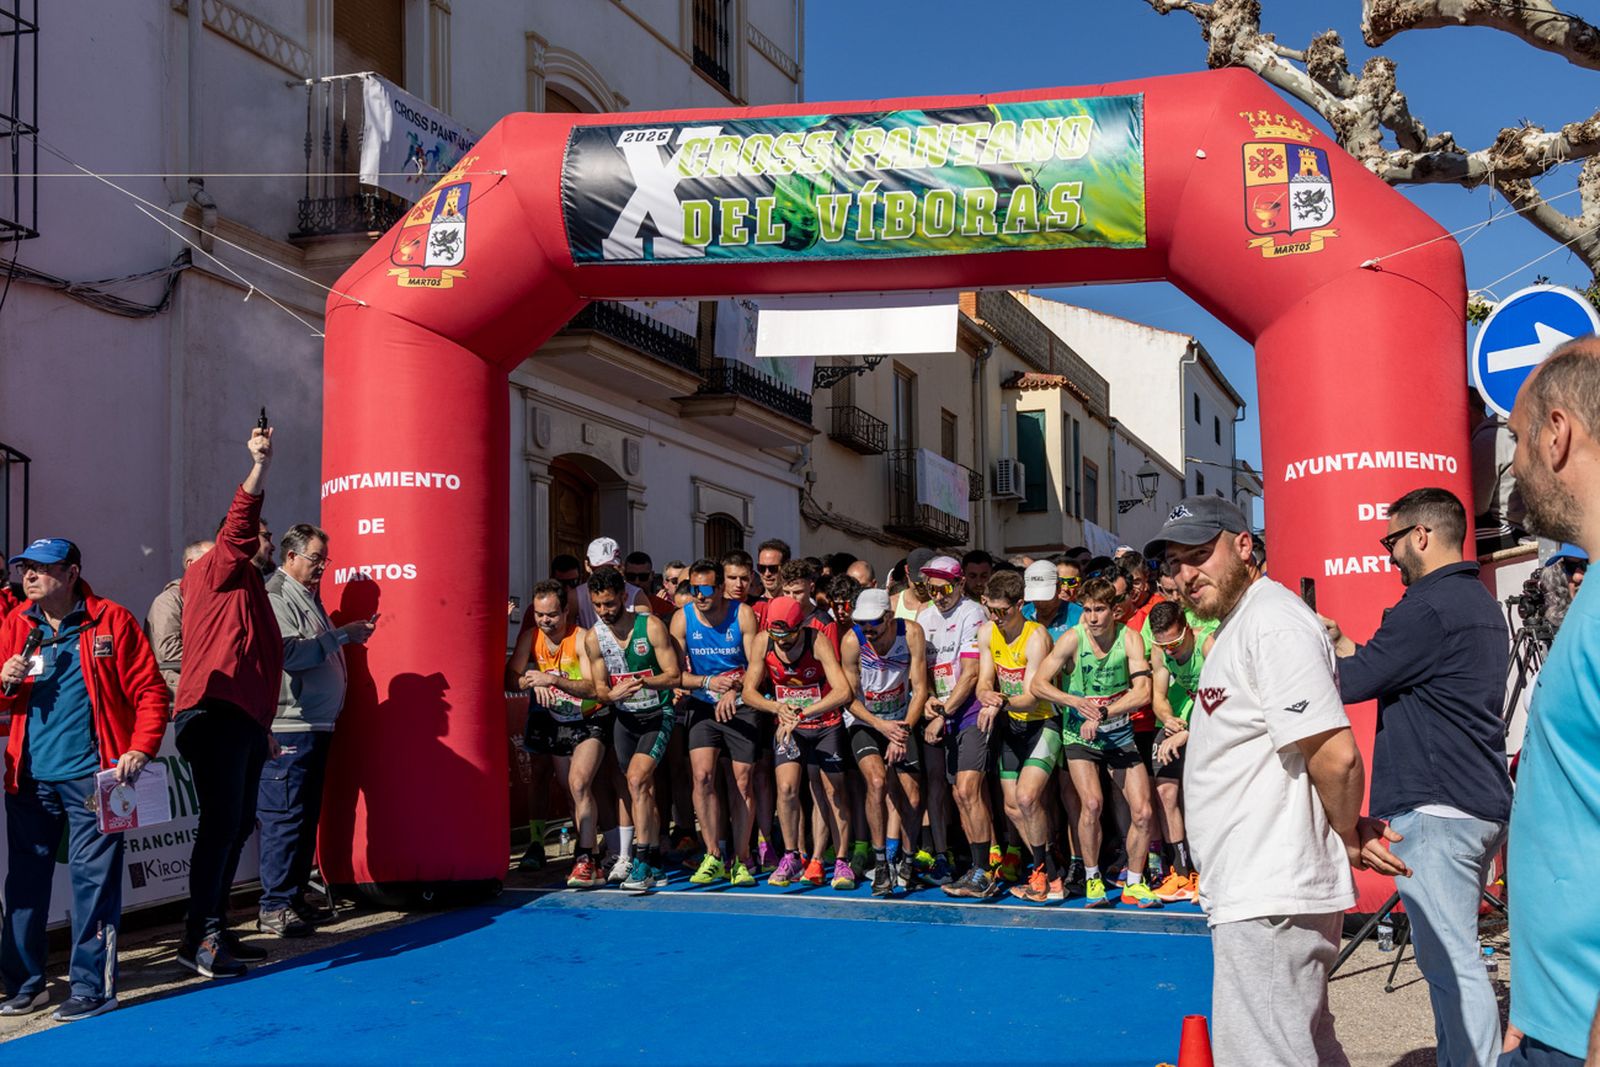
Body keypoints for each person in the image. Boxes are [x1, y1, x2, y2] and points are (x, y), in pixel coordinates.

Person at [1147, 495, 1406, 1067]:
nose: (1186, 575)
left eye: (1199, 554)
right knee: (1304, 1044)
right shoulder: (1244, 625)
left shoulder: (1272, 622)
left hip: (1269, 888)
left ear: (1244, 546)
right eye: (1175, 563)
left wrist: (1349, 831)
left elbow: (1335, 755)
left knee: (1265, 1054)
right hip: (1262, 886)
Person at [1317, 487, 1511, 1067]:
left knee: (1453, 967)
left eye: (1391, 540)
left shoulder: (1424, 608)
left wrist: (1310, 650)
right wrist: (1342, 643)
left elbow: (1350, 684)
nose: (1389, 553)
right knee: (1453, 965)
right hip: (1474, 802)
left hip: (1437, 808)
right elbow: (1389, 669)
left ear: (1421, 536)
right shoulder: (1475, 604)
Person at [0, 539, 169, 1021]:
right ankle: (27, 983)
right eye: (24, 568)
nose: (29, 576)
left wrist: (140, 747)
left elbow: (150, 689)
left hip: (96, 780)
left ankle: (92, 987)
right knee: (25, 885)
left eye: (41, 568)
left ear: (71, 572)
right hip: (29, 779)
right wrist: (2, 676)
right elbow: (2, 699)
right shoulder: (16, 624)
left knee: (92, 885)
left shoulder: (111, 619)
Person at [1500, 340, 1600, 1067]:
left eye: (1516, 441)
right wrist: (1532, 1002)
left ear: (1557, 433)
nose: (1514, 468)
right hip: (1557, 1016)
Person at [173, 423, 284, 979]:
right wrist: (259, 463)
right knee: (222, 824)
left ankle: (211, 925)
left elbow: (259, 667)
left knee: (237, 824)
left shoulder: (250, 592)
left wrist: (262, 725)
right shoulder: (217, 569)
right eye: (266, 538)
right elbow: (240, 522)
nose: (269, 543)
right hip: (212, 712)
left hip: (239, 718)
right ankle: (202, 938)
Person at [257, 524, 376, 938]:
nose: (322, 567)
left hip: (315, 723)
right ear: (291, 557)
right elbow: (289, 653)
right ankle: (274, 904)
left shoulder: (307, 596)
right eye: (315, 559)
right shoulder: (277, 595)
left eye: (325, 559)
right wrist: (341, 636)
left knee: (304, 817)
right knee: (284, 817)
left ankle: (291, 898)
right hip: (289, 725)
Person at [1027, 578, 1162, 909]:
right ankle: (1092, 880)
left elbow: (1143, 693)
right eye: (1086, 610)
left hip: (1117, 733)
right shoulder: (1073, 639)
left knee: (1143, 811)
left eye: (1099, 609)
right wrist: (1074, 702)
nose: (1091, 617)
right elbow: (1038, 684)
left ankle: (1133, 883)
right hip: (1079, 735)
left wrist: (1104, 711)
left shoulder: (1129, 640)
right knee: (1092, 805)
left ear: (1115, 611)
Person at [741, 596, 855, 890]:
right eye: (777, 636)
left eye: (788, 636)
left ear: (799, 627)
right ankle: (791, 856)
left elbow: (842, 690)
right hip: (789, 727)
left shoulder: (816, 640)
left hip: (824, 724)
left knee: (833, 792)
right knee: (788, 788)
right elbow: (749, 692)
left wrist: (803, 712)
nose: (782, 643)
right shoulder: (763, 642)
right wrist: (777, 708)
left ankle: (839, 860)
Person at [508, 579, 609, 889]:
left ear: (566, 611)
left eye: (551, 614)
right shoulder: (531, 637)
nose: (545, 621)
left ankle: (586, 857)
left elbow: (595, 688)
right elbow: (510, 678)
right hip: (551, 717)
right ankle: (542, 845)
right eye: (539, 614)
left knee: (578, 784)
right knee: (551, 781)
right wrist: (531, 681)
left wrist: (552, 679)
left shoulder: (582, 639)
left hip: (587, 717)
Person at [585, 566, 680, 891]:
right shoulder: (594, 636)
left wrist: (642, 682)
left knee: (638, 780)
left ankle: (640, 859)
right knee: (641, 789)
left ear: (624, 598)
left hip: (657, 713)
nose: (604, 612)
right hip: (625, 719)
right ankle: (654, 862)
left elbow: (673, 675)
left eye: (609, 604)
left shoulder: (649, 626)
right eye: (597, 605)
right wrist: (611, 695)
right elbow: (599, 688)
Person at [973, 571, 1063, 903]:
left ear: (1020, 606)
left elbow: (1033, 696)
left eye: (1003, 611)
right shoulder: (987, 633)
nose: (996, 618)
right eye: (990, 610)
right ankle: (1050, 871)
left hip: (1042, 723)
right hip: (1010, 725)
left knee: (1027, 798)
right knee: (1013, 808)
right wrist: (988, 697)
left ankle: (1042, 873)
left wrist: (1000, 703)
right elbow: (984, 681)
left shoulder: (1035, 636)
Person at [671, 558, 760, 887]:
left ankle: (742, 856)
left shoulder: (743, 614)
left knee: (741, 782)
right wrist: (702, 684)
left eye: (707, 589)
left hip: (739, 703)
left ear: (721, 589)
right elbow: (675, 671)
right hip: (703, 704)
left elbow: (756, 665)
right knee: (702, 776)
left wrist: (734, 688)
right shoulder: (682, 619)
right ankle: (713, 855)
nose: (700, 595)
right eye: (694, 589)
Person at [839, 588, 928, 896]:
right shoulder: (852, 641)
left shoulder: (911, 633)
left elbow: (921, 689)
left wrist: (901, 731)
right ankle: (880, 864)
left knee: (913, 798)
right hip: (866, 720)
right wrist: (882, 727)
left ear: (889, 618)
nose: (868, 630)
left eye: (873, 623)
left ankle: (906, 860)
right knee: (877, 782)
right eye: (862, 623)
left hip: (902, 717)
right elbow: (849, 698)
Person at [916, 555, 992, 896]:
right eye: (930, 589)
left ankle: (983, 870)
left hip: (969, 710)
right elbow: (923, 668)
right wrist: (930, 699)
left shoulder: (972, 612)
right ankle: (956, 861)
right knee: (949, 792)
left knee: (967, 791)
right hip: (940, 709)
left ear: (960, 584)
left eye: (945, 588)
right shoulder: (924, 614)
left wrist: (945, 712)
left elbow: (972, 672)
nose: (938, 595)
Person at [1146, 600, 1212, 903]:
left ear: (1186, 627)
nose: (1169, 650)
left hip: (1210, 722)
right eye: (1163, 644)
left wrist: (1188, 733)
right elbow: (1157, 697)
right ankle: (1182, 872)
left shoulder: (1209, 646)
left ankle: (1206, 873)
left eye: (1174, 642)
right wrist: (1169, 718)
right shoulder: (1161, 650)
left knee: (1202, 797)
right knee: (1165, 794)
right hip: (1179, 721)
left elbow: (1225, 702)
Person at [144, 539, 214, 695]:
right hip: (181, 691)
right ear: (191, 564)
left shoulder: (213, 600)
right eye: (213, 560)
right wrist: (216, 658)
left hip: (208, 688)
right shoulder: (169, 601)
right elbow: (169, 650)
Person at [574, 538, 650, 627]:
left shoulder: (637, 597)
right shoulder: (575, 596)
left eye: (610, 568)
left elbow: (645, 632)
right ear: (587, 565)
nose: (605, 573)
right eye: (599, 568)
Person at [624, 551, 674, 619]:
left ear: (652, 575)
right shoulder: (617, 605)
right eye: (631, 576)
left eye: (643, 577)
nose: (637, 582)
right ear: (624, 575)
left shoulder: (664, 607)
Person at [893, 547, 936, 623]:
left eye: (925, 582)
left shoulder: (942, 604)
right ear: (906, 571)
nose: (921, 586)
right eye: (916, 582)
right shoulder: (893, 605)